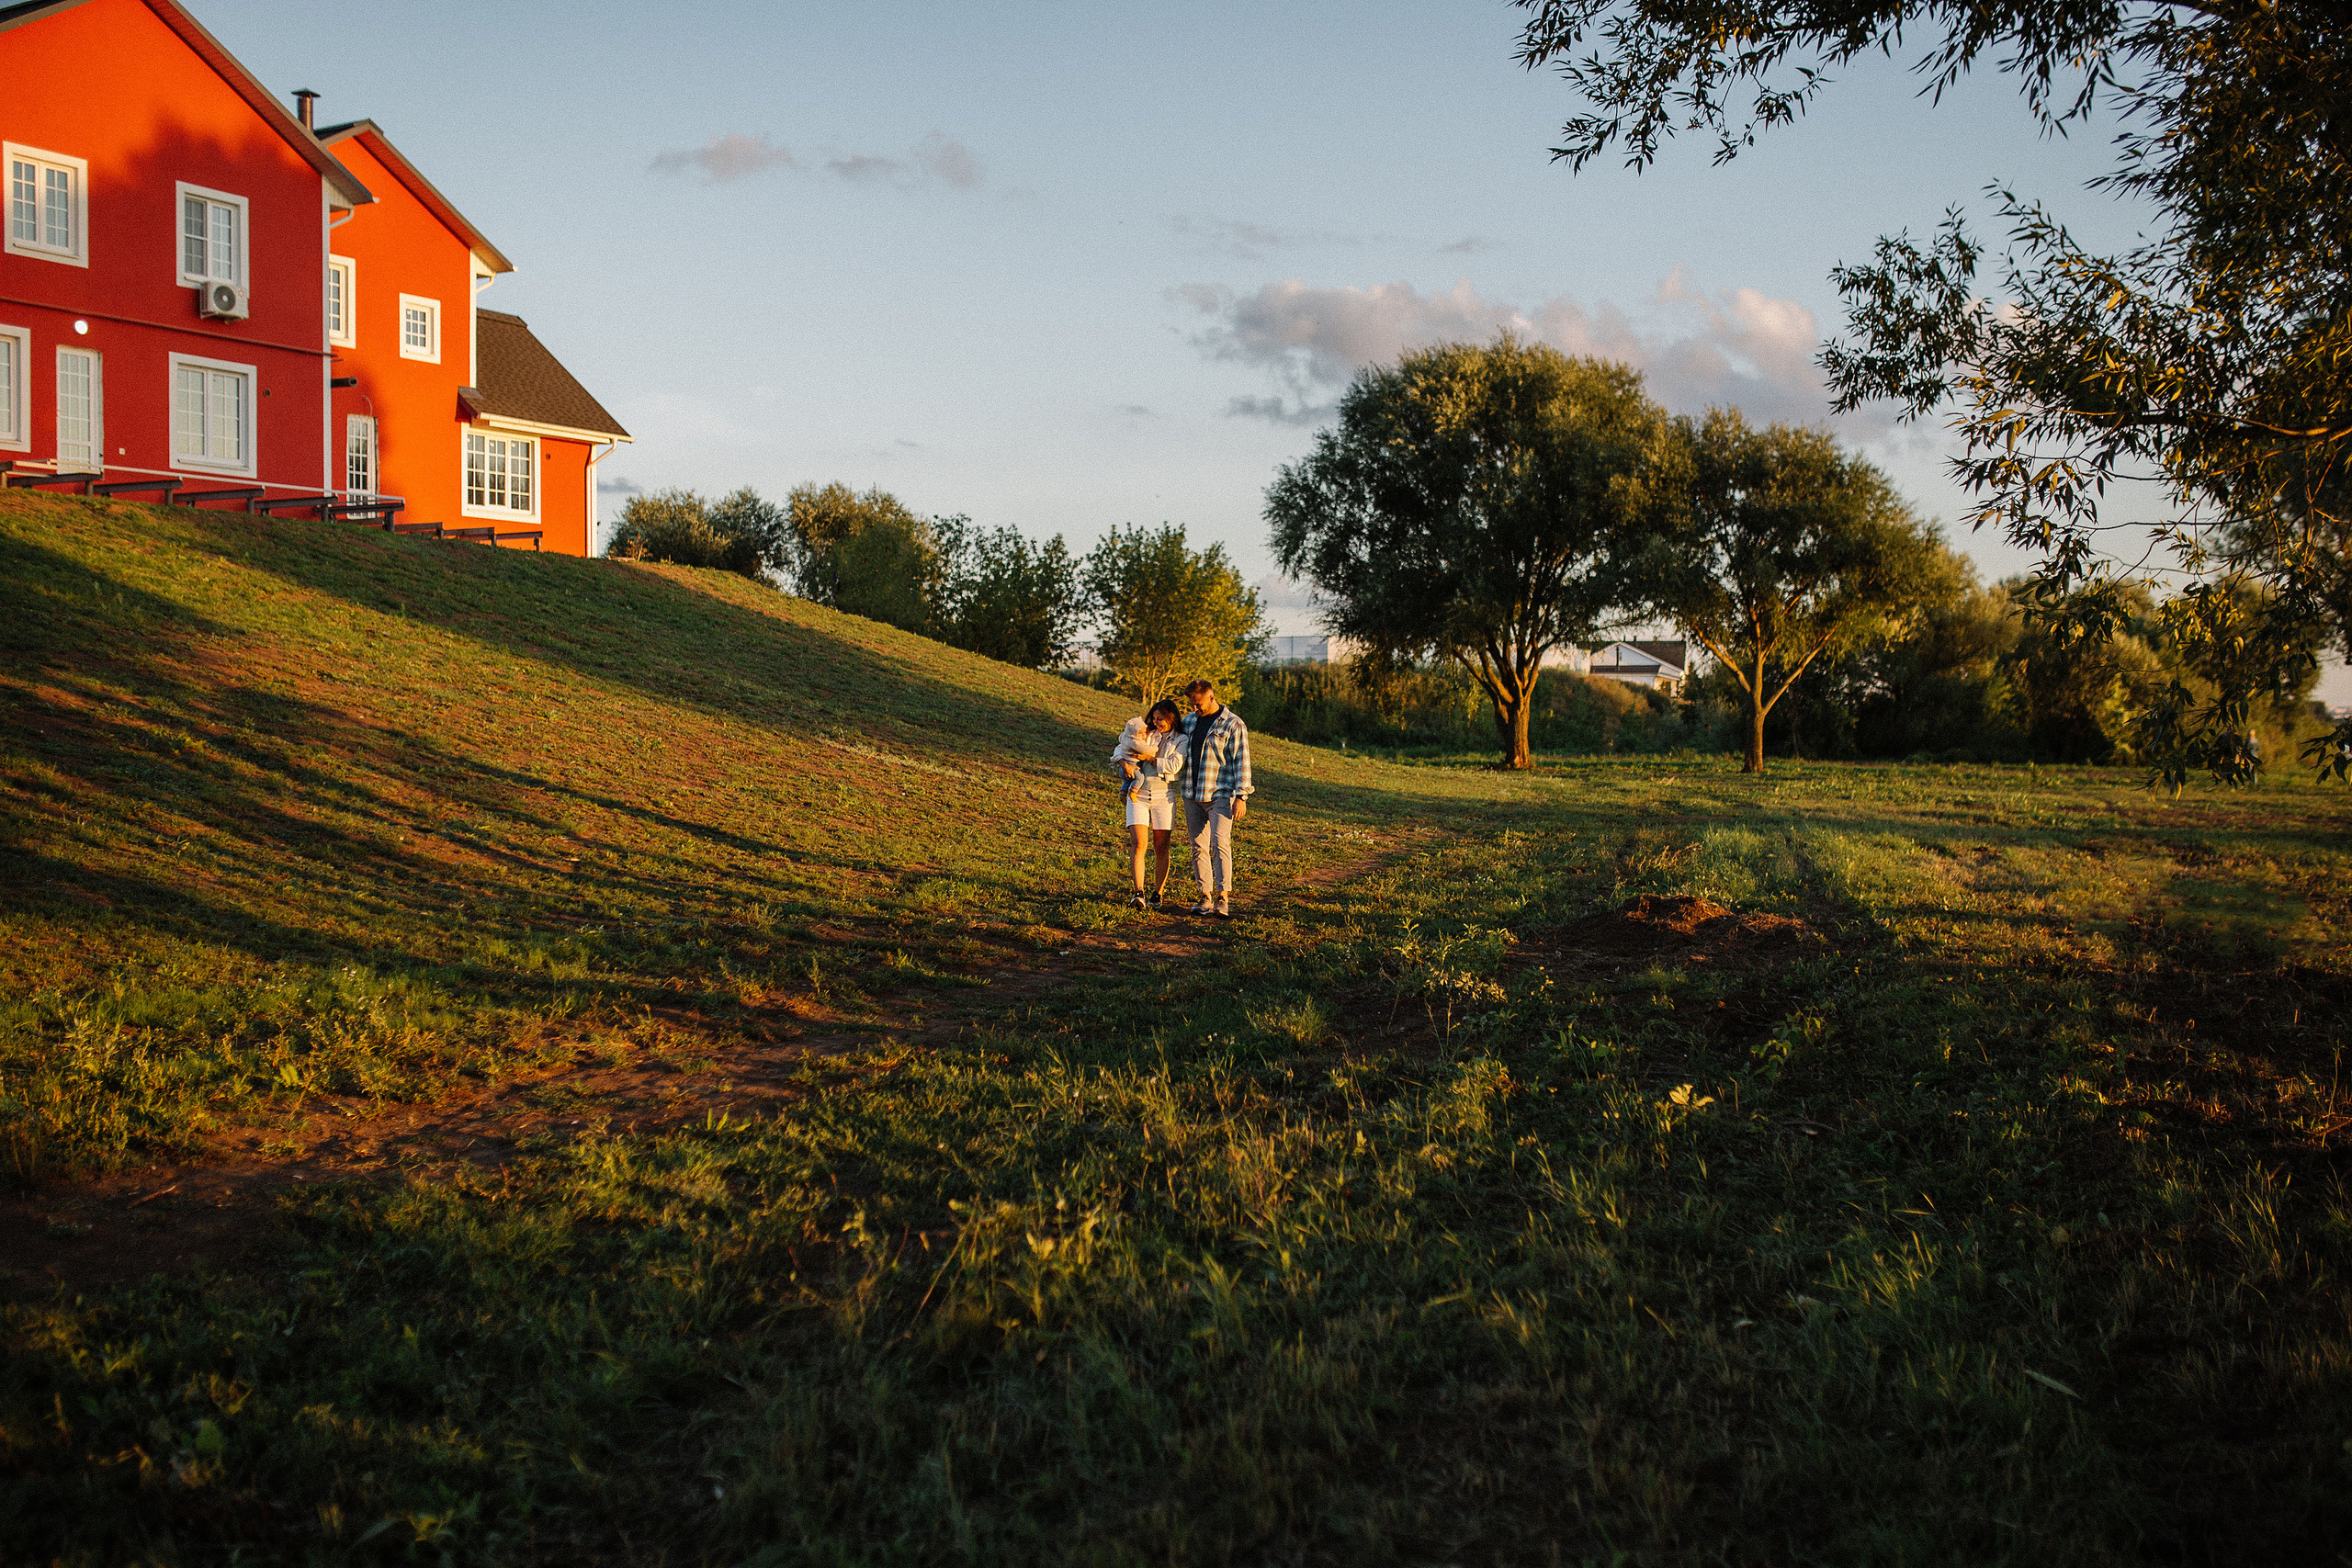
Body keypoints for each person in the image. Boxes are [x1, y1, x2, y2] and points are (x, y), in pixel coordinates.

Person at [1177, 677, 1252, 919]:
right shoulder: (1188, 722)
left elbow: (1242, 762)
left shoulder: (1233, 724)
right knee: (1198, 845)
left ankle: (1223, 897)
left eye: (1198, 703)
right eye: (1192, 704)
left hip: (1221, 794)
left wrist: (1241, 796)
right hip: (1191, 792)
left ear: (1211, 696)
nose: (1195, 708)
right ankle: (1205, 896)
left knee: (1220, 844)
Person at [1112, 699, 1187, 908]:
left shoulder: (1180, 739)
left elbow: (1175, 765)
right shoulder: (1146, 732)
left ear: (1171, 717)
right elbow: (1121, 746)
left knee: (1161, 846)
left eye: (1160, 719)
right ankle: (1139, 892)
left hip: (1164, 797)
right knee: (1138, 844)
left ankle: (1157, 893)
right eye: (1154, 719)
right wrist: (1123, 763)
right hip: (1139, 796)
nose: (1156, 723)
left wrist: (1150, 758)